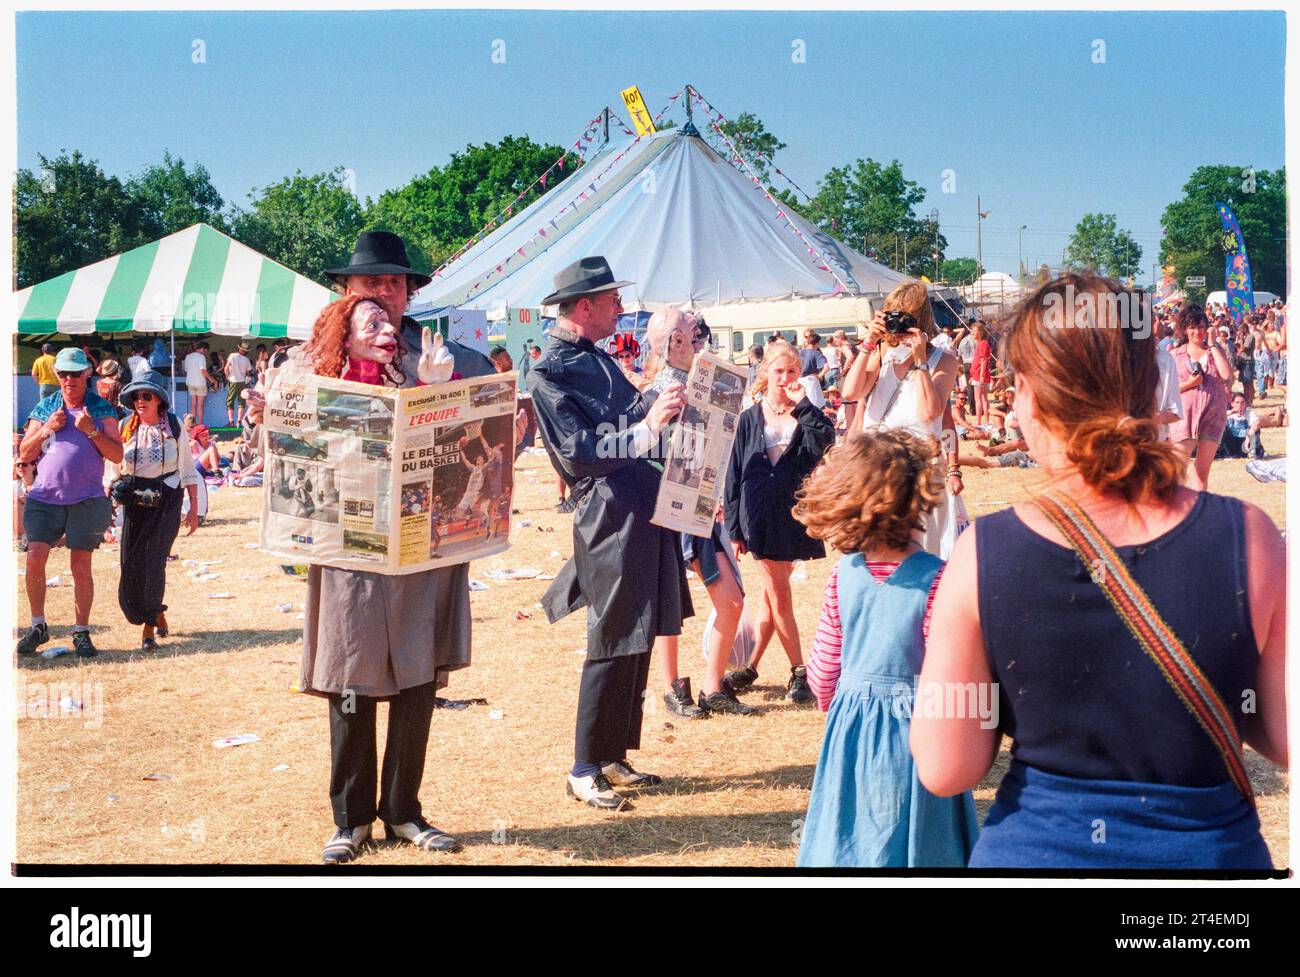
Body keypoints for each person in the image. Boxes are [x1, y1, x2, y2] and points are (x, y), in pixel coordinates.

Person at [912, 273, 1286, 869]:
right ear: (1148, 384)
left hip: (1035, 854)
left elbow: (946, 765)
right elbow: (1284, 733)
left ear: (1030, 394)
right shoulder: (1250, 537)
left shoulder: (983, 553)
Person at [284, 232, 487, 864]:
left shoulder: (438, 355)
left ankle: (403, 811)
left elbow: (475, 439)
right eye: (373, 285)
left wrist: (438, 393)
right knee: (351, 675)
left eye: (396, 284)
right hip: (350, 549)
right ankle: (350, 821)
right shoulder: (308, 367)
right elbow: (289, 455)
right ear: (346, 296)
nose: (386, 295)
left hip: (421, 546)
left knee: (416, 675)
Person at [530, 256, 691, 811]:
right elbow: (578, 455)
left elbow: (622, 423)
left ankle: (614, 753)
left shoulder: (595, 359)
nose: (621, 308)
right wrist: (648, 427)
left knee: (640, 633)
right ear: (584, 307)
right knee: (612, 636)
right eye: (612, 299)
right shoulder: (549, 372)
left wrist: (660, 403)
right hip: (608, 515)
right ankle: (582, 767)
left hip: (643, 504)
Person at [794, 430, 979, 867]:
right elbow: (948, 669)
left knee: (851, 839)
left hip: (851, 735)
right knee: (917, 844)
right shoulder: (939, 579)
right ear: (919, 500)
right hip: (920, 735)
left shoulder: (843, 576)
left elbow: (822, 674)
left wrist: (842, 705)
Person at [641, 310, 750, 718]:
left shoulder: (693, 379)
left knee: (730, 600)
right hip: (678, 504)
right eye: (692, 333)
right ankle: (675, 686)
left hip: (701, 502)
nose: (701, 338)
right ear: (675, 343)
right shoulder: (667, 388)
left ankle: (708, 685)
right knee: (672, 598)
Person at [723, 340, 835, 704]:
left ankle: (751, 666)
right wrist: (735, 530)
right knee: (779, 593)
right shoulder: (749, 417)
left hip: (793, 513)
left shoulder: (805, 413)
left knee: (773, 596)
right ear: (765, 373)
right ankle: (800, 671)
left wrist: (803, 403)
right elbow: (734, 472)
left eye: (791, 371)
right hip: (757, 514)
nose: (784, 378)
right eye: (778, 371)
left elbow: (826, 438)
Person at [842, 281, 966, 558]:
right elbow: (850, 392)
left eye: (903, 318)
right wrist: (868, 344)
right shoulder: (880, 353)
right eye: (891, 316)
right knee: (874, 552)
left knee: (922, 554)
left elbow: (929, 413)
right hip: (876, 466)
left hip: (918, 470)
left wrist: (920, 360)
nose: (896, 325)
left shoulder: (943, 359)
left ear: (920, 320)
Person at [15, 348, 124, 658]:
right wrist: (48, 427)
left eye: (75, 373)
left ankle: (81, 631)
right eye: (63, 373)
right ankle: (38, 626)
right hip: (44, 498)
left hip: (86, 501)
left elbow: (117, 455)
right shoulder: (45, 408)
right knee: (34, 559)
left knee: (80, 566)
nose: (69, 379)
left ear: (87, 374)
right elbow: (24, 453)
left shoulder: (101, 410)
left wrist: (91, 431)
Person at [113, 371, 200, 651]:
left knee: (153, 562)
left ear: (159, 400)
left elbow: (188, 468)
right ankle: (155, 611)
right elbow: (114, 465)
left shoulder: (174, 426)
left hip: (167, 499)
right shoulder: (126, 425)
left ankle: (149, 626)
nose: (140, 400)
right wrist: (113, 492)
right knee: (131, 564)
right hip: (135, 501)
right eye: (136, 396)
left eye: (146, 395)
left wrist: (194, 507)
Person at [1170, 304, 1233, 492]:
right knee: (1177, 469)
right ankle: (1175, 513)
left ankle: (1199, 514)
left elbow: (1227, 375)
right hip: (1184, 416)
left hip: (1213, 415)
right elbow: (1167, 391)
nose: (1197, 332)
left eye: (1200, 327)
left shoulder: (1214, 351)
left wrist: (1213, 345)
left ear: (1206, 328)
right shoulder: (1175, 354)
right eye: (1192, 327)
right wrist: (1190, 384)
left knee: (1202, 471)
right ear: (1185, 329)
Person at [224, 341, 254, 426]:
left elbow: (226, 368)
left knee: (230, 401)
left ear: (239, 348)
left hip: (233, 381)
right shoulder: (247, 359)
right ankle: (239, 421)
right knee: (241, 402)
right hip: (243, 382)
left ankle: (231, 421)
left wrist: (227, 376)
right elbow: (248, 373)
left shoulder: (232, 356)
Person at [184, 341, 214, 424]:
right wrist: (211, 379)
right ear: (203, 349)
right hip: (200, 382)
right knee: (200, 404)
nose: (205, 353)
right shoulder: (201, 357)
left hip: (190, 381)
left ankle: (191, 424)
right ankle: (200, 424)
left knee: (193, 403)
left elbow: (186, 370)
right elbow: (203, 371)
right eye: (205, 351)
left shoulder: (188, 356)